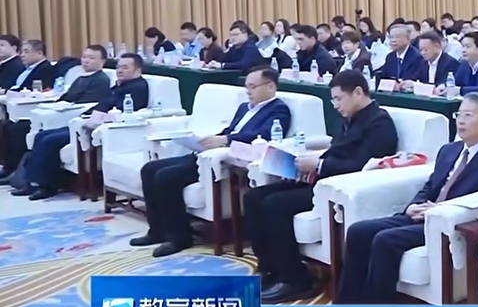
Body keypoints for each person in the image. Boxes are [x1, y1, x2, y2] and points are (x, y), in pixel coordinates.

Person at [336, 92, 478, 307]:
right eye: (458, 115)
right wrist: (414, 205)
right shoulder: (449, 150)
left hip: (448, 225)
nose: (460, 121)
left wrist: (441, 209)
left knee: (384, 240)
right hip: (422, 214)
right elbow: (430, 185)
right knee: (358, 231)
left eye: (468, 115)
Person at [247, 70, 399, 302]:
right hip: (320, 179)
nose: (335, 105)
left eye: (338, 99)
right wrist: (307, 163)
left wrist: (319, 165)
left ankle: (295, 279)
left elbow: (363, 165)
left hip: (339, 188)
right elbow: (336, 151)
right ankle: (270, 268)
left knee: (274, 205)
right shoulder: (348, 118)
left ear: (358, 92)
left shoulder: (380, 122)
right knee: (253, 197)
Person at [129, 67, 292, 258]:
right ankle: (157, 230)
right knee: (149, 169)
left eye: (253, 87)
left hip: (225, 158)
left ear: (270, 86)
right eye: (247, 86)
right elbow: (232, 129)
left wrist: (225, 139)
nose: (248, 91)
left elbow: (263, 135)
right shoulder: (244, 107)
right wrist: (211, 139)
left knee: (165, 177)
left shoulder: (278, 109)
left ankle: (178, 237)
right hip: (208, 151)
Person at [20, 52, 150, 199]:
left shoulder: (137, 87)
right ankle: (32, 182)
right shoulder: (120, 85)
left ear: (137, 70)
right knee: (41, 135)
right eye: (118, 67)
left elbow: (122, 113)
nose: (119, 71)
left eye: (125, 68)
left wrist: (91, 119)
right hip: (86, 121)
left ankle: (46, 186)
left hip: (97, 128)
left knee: (49, 141)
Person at [3, 45, 113, 187]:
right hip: (62, 114)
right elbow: (66, 97)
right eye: (84, 57)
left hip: (74, 120)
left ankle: (44, 185)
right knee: (37, 135)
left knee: (45, 139)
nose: (86, 61)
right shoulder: (81, 78)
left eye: (91, 58)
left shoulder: (101, 80)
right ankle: (29, 180)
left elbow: (88, 103)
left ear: (102, 61)